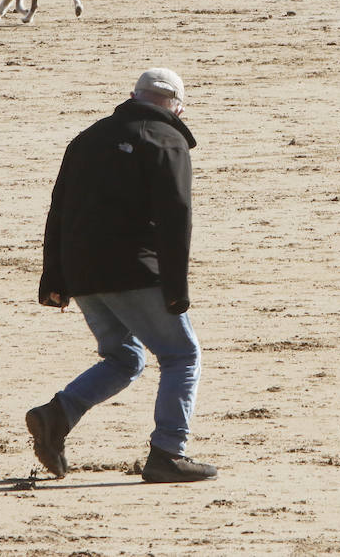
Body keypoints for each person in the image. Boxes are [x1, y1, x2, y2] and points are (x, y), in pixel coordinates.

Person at [26, 67, 217, 484]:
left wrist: (55, 281)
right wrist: (176, 288)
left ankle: (56, 415)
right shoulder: (168, 140)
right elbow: (176, 219)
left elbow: (59, 208)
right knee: (181, 356)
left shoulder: (88, 137)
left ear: (135, 96)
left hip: (83, 272)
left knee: (124, 358)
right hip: (135, 270)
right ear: (177, 106)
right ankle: (168, 451)